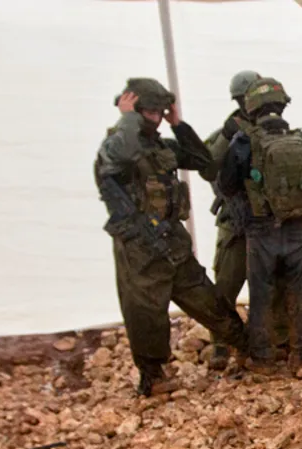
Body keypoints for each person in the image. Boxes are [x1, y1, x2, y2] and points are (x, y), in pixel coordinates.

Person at [95, 77, 247, 396]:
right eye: (149, 112)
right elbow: (121, 155)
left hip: (171, 241)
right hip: (140, 246)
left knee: (208, 299)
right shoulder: (117, 144)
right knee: (146, 312)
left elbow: (203, 161)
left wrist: (177, 124)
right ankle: (153, 376)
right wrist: (128, 118)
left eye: (159, 111)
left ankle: (246, 346)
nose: (155, 117)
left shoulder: (161, 147)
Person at [217, 77, 302, 372]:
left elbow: (225, 184)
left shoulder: (243, 142)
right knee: (298, 294)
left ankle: (264, 358)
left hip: (261, 230)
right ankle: (301, 357)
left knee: (262, 295)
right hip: (298, 229)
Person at [201, 70, 287, 368]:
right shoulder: (227, 133)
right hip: (236, 221)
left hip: (267, 220)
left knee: (272, 285)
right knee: (225, 285)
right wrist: (227, 136)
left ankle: (273, 340)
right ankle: (222, 344)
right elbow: (207, 167)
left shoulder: (275, 129)